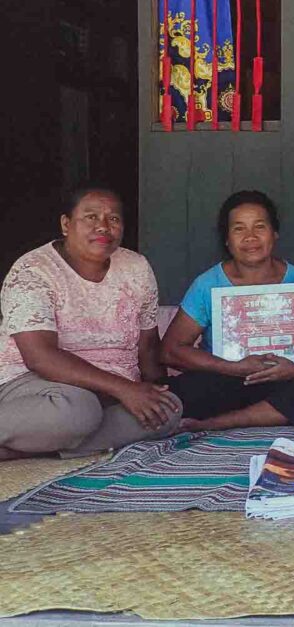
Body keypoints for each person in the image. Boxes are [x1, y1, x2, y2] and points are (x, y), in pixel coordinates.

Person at [0, 184, 182, 460]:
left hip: (109, 391)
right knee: (78, 411)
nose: (103, 227)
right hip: (34, 387)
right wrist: (125, 389)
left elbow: (147, 345)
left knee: (168, 410)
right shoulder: (33, 271)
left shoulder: (136, 267)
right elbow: (40, 357)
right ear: (66, 224)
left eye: (113, 218)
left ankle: (21, 449)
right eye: (91, 217)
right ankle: (47, 439)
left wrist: (154, 390)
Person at [162, 191, 294, 431]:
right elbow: (170, 351)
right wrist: (234, 368)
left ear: (274, 234)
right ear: (227, 239)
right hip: (226, 379)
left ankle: (217, 423)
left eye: (260, 227)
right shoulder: (207, 284)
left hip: (281, 382)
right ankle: (265, 414)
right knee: (174, 393)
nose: (250, 237)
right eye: (239, 229)